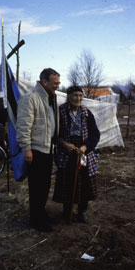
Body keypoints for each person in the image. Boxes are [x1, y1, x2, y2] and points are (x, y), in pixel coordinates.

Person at [16, 68, 60, 232]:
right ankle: (36, 220)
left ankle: (41, 214)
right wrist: (26, 149)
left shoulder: (50, 99)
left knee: (45, 185)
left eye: (58, 83)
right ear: (44, 82)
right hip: (35, 151)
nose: (57, 86)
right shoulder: (30, 99)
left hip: (47, 149)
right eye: (55, 83)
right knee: (36, 187)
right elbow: (23, 126)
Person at [53, 86, 100, 223]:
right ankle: (67, 210)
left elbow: (95, 134)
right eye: (75, 95)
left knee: (84, 181)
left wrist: (85, 147)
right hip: (67, 152)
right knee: (67, 181)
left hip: (83, 151)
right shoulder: (60, 112)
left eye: (80, 95)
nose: (78, 98)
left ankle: (82, 211)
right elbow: (54, 134)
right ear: (68, 96)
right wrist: (64, 144)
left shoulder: (86, 113)